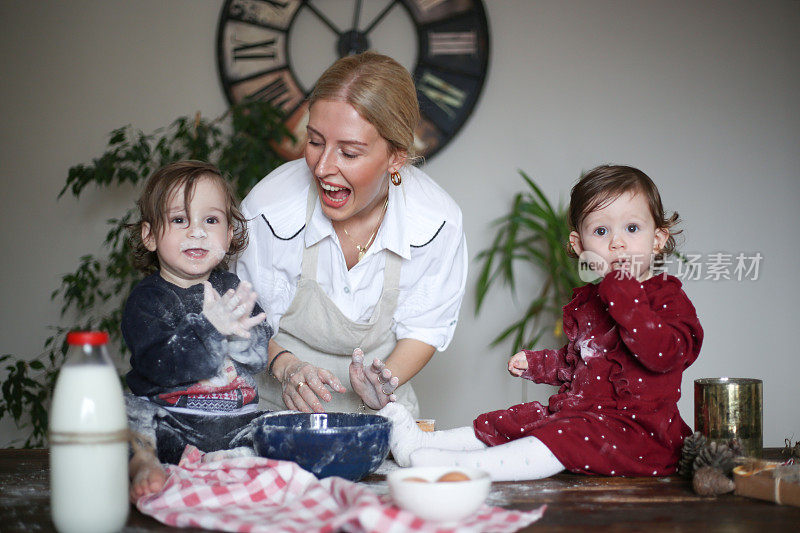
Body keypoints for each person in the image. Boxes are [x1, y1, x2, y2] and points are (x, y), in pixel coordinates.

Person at [379, 164, 703, 481]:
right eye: (601, 231)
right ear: (580, 246)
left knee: (562, 436)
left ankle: (456, 468)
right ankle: (424, 444)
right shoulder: (591, 301)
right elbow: (578, 362)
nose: (617, 243)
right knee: (516, 422)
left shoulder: (666, 299)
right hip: (583, 414)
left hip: (635, 433)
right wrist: (537, 363)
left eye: (632, 229)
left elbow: (662, 355)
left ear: (658, 239)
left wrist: (622, 290)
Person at [235, 51, 467, 416]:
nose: (323, 167)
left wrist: (384, 381)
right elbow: (243, 320)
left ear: (396, 157)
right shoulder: (269, 209)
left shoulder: (437, 223)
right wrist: (287, 366)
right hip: (271, 411)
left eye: (349, 152)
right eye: (314, 141)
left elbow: (424, 328)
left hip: (378, 418)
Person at [122, 160, 272, 500]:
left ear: (230, 232)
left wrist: (240, 338)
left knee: (277, 425)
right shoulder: (147, 300)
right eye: (179, 220)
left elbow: (259, 353)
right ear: (149, 235)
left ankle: (229, 459)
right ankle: (143, 462)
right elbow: (157, 365)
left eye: (211, 220)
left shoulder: (232, 286)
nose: (197, 232)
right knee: (125, 415)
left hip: (235, 422)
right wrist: (210, 329)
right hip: (172, 424)